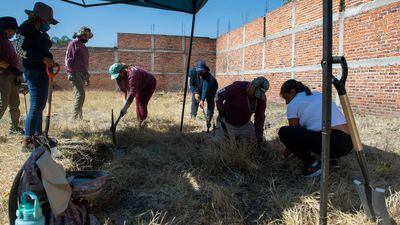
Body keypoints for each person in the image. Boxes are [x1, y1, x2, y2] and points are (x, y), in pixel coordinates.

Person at [278, 79, 353, 178]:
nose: (286, 102)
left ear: (292, 91)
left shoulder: (293, 103)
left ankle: (312, 163)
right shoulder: (318, 95)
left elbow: (293, 134)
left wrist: (284, 155)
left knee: (284, 132)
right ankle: (330, 161)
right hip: (349, 142)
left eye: (286, 97)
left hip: (333, 142)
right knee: (315, 132)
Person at [16, 2, 59, 151]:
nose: (48, 25)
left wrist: (49, 61)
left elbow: (42, 51)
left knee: (40, 105)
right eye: (48, 22)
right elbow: (19, 49)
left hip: (43, 71)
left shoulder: (40, 33)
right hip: (33, 71)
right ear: (39, 19)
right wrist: (42, 59)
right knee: (36, 105)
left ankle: (38, 136)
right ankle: (27, 141)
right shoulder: (24, 29)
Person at [214, 76, 269, 146]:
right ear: (251, 85)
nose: (256, 96)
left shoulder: (261, 98)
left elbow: (259, 117)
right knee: (219, 145)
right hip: (227, 122)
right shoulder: (238, 87)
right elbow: (219, 95)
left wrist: (259, 136)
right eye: (255, 93)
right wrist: (220, 108)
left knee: (253, 144)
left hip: (245, 124)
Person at [109, 63, 157, 128]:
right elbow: (123, 90)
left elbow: (132, 94)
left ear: (122, 71)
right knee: (138, 102)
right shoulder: (119, 77)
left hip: (149, 84)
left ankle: (141, 123)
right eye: (115, 76)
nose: (117, 78)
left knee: (141, 103)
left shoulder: (132, 75)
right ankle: (139, 121)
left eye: (117, 75)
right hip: (139, 84)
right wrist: (124, 102)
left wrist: (125, 107)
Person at [0, 17, 25, 135]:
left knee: (14, 103)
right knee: (2, 104)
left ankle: (14, 127)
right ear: (7, 29)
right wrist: (13, 70)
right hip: (2, 76)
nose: (14, 33)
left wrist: (16, 73)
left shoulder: (7, 41)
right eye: (14, 30)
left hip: (11, 76)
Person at [65, 27, 93, 119]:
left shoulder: (84, 47)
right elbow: (68, 58)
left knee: (78, 95)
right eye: (86, 36)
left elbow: (84, 63)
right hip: (75, 72)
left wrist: (87, 77)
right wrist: (69, 72)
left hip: (82, 74)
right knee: (80, 95)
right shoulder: (73, 43)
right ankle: (73, 119)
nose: (87, 38)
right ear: (80, 35)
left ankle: (79, 118)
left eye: (88, 37)